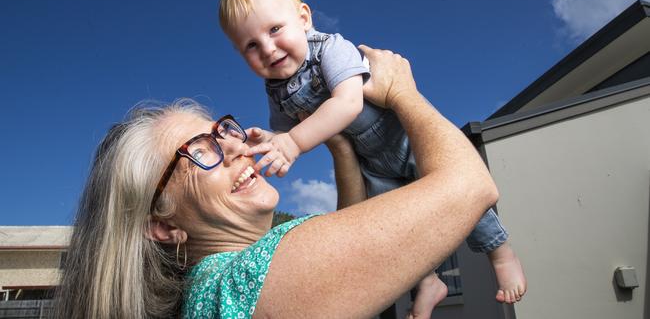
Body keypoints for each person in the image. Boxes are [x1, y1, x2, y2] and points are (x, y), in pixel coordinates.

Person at [53, 46, 499, 318]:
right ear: (164, 226)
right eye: (200, 151)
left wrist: (340, 146)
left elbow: (349, 233)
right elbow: (470, 186)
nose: (233, 146)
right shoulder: (242, 283)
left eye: (220, 131)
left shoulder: (219, 294)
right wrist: (403, 91)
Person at [218, 0, 526, 314]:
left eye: (275, 30)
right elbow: (287, 129)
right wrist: (272, 139)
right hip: (371, 164)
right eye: (251, 46)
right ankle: (428, 282)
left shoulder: (331, 49)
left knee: (461, 197)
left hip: (403, 139)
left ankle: (500, 254)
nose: (268, 48)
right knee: (396, 227)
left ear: (303, 18)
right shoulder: (275, 90)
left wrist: (292, 143)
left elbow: (347, 102)